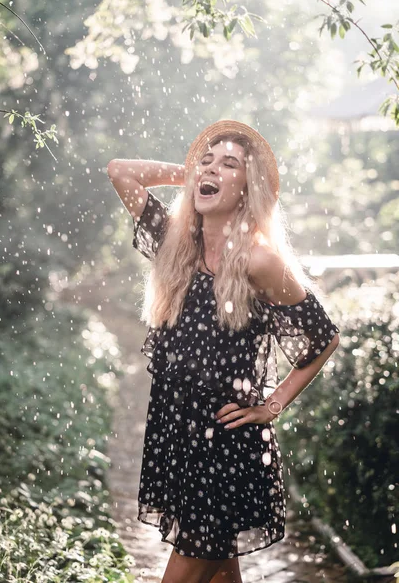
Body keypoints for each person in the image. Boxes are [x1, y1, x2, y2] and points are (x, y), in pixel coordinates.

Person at [107, 120, 340, 583]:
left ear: (247, 188)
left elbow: (323, 336)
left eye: (229, 164)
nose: (211, 170)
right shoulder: (177, 246)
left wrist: (273, 404)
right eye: (206, 162)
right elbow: (120, 171)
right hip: (179, 441)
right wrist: (192, 173)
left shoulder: (260, 261)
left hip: (226, 450)